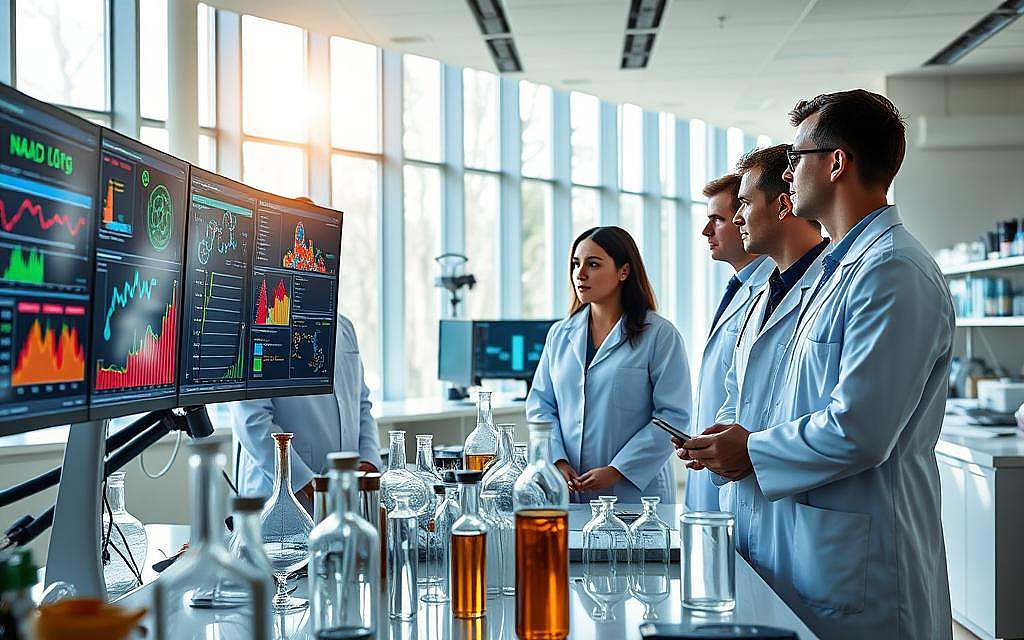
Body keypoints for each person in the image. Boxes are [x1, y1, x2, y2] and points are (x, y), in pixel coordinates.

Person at [681, 90, 954, 639]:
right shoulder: (832, 271)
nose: (788, 174)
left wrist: (751, 450)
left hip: (860, 565)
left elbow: (861, 430)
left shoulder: (893, 272)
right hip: (802, 548)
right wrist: (738, 437)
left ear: (835, 163)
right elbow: (786, 396)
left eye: (796, 159)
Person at [230, 197, 381, 509]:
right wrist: (304, 481)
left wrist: (368, 462)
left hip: (344, 493)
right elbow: (252, 420)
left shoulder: (344, 326)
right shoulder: (258, 323)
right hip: (281, 496)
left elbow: (362, 404)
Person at [527, 226, 691, 504]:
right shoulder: (560, 334)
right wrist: (556, 460)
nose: (580, 274)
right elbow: (541, 406)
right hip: (569, 491)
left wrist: (618, 469)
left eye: (593, 264)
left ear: (623, 271)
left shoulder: (660, 335)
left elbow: (673, 417)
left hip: (636, 496)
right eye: (575, 264)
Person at [684, 174, 774, 512]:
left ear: (745, 217)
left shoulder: (769, 291)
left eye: (717, 220)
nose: (707, 232)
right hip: (718, 465)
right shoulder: (739, 289)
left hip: (746, 472)